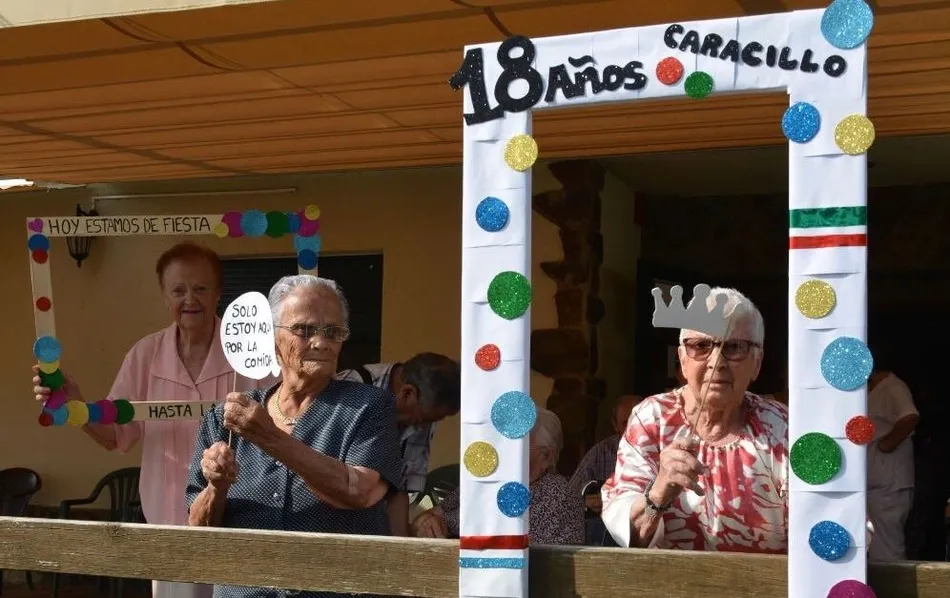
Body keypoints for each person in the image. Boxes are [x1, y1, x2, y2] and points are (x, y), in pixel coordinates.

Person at [31, 242, 270, 598]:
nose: (190, 299)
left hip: (241, 527)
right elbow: (114, 434)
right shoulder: (145, 355)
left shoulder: (250, 353)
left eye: (201, 288)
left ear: (219, 293)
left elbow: (280, 424)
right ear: (164, 296)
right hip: (168, 529)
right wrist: (75, 404)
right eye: (178, 290)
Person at [186, 275, 402, 598]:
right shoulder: (226, 420)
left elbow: (358, 492)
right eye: (304, 330)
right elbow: (200, 530)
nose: (321, 342)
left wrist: (270, 437)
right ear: (272, 338)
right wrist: (217, 486)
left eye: (333, 332)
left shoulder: (368, 407)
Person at [601, 287, 790, 552]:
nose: (717, 362)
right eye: (701, 346)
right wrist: (658, 493)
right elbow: (633, 537)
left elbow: (815, 521)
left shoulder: (781, 426)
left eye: (734, 347)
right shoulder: (652, 419)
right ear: (682, 360)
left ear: (757, 363)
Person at [411, 407, 584, 545]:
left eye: (518, 442)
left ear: (546, 457)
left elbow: (498, 535)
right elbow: (431, 516)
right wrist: (425, 522)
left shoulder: (556, 494)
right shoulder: (484, 481)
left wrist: (444, 523)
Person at [336, 353, 460, 536]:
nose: (423, 427)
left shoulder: (423, 412)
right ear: (407, 392)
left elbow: (399, 491)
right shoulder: (351, 388)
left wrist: (403, 553)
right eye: (423, 419)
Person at [866, 367, 919, 562]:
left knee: (888, 550)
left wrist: (887, 444)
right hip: (876, 484)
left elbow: (910, 416)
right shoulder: (870, 390)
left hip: (889, 484)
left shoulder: (893, 387)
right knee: (876, 548)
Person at [569, 395, 641, 506]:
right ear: (615, 425)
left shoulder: (665, 451)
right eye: (625, 423)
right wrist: (586, 502)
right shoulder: (601, 452)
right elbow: (570, 495)